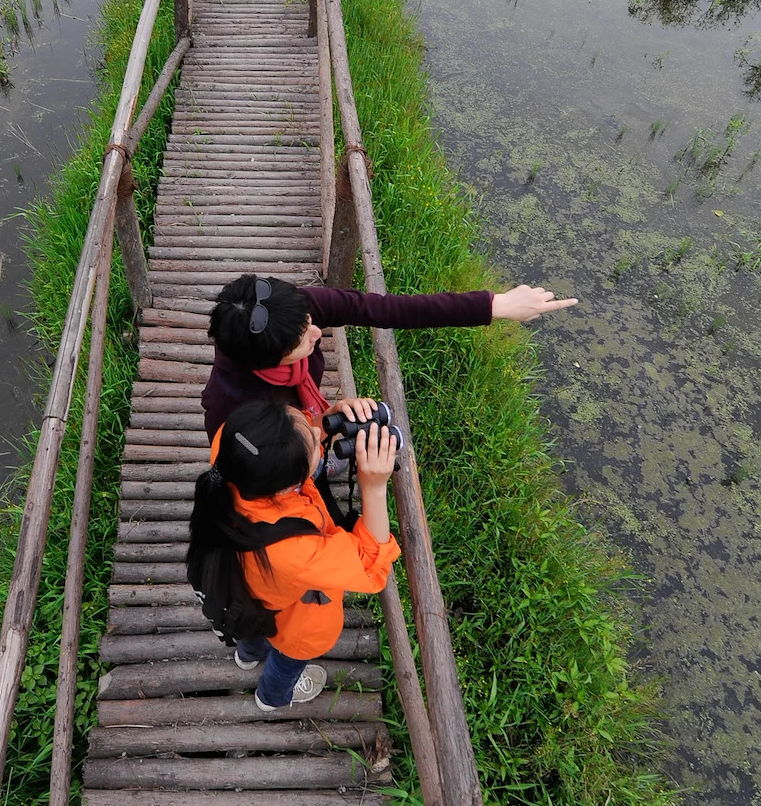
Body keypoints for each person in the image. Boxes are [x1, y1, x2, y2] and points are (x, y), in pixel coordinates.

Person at [187, 399, 401, 710]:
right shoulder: (295, 551)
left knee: (249, 628)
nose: (316, 431)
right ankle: (271, 696)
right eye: (315, 440)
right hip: (294, 623)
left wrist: (324, 418)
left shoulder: (232, 444)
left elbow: (279, 435)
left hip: (238, 594)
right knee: (287, 661)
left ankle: (247, 656)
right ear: (290, 487)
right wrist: (374, 487)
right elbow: (370, 568)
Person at [201, 274, 579, 439]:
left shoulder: (299, 309)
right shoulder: (236, 410)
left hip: (304, 421)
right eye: (303, 342)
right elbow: (251, 475)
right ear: (269, 363)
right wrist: (312, 435)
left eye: (311, 323)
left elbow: (388, 310)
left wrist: (494, 305)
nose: (318, 333)